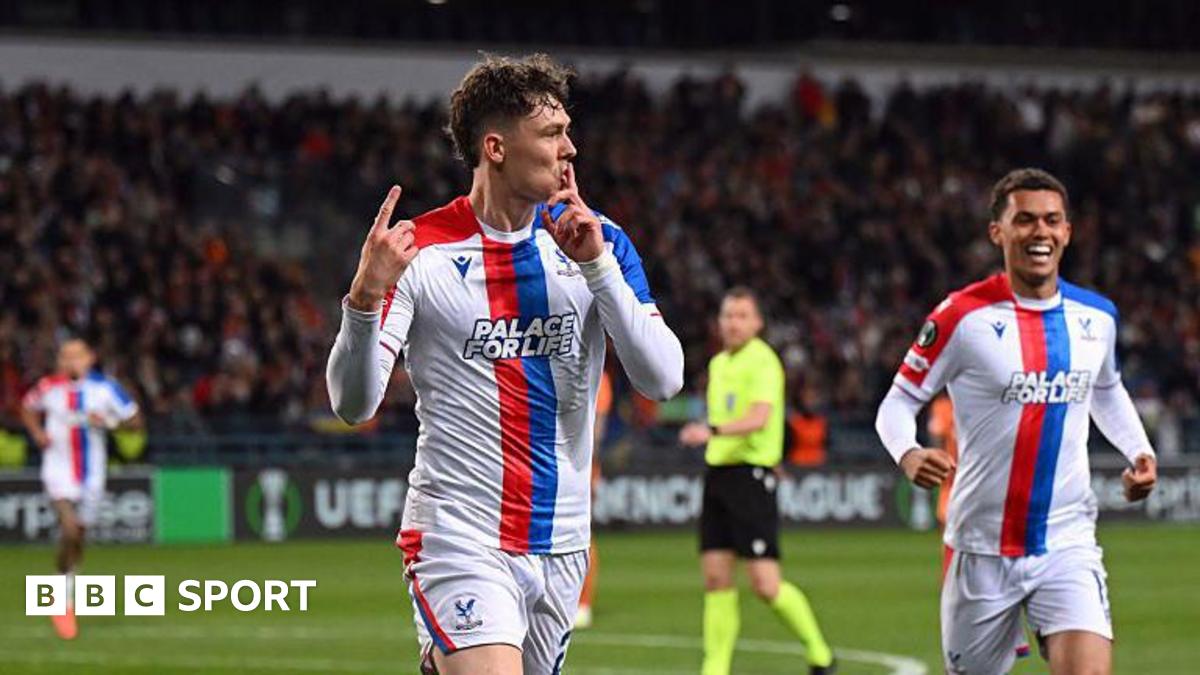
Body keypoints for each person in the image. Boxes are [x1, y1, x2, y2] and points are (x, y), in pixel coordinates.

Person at [325, 54, 684, 675]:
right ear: (495, 148)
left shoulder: (598, 241)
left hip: (563, 541)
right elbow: (353, 405)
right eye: (551, 134)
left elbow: (663, 379)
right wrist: (363, 299)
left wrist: (598, 267)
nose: (569, 148)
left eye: (567, 131)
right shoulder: (419, 253)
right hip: (459, 532)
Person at [875, 168, 1158, 675]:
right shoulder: (961, 317)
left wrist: (1140, 452)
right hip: (981, 545)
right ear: (998, 232)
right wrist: (909, 452)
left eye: (1051, 220)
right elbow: (897, 402)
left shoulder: (1097, 318)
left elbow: (1106, 389)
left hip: (1067, 539)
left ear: (1067, 231)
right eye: (1024, 220)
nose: (1039, 231)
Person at [679, 288, 835, 675]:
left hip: (751, 477)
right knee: (716, 578)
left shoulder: (763, 360)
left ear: (757, 323)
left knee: (765, 584)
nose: (733, 323)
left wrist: (711, 430)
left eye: (742, 315)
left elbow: (759, 418)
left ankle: (820, 654)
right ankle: (714, 669)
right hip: (719, 475)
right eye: (728, 315)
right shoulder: (718, 363)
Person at [19, 338, 141, 640]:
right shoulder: (48, 387)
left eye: (76, 356)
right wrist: (37, 433)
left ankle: (64, 587)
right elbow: (26, 408)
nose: (70, 361)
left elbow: (135, 422)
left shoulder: (106, 388)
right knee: (70, 529)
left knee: (78, 537)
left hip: (92, 475)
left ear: (90, 358)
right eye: (65, 356)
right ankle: (60, 601)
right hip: (57, 469)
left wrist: (108, 422)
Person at [574, 368, 611, 630]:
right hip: (555, 460)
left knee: (582, 531)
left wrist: (590, 467)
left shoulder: (597, 374)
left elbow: (597, 427)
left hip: (580, 463)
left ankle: (583, 602)